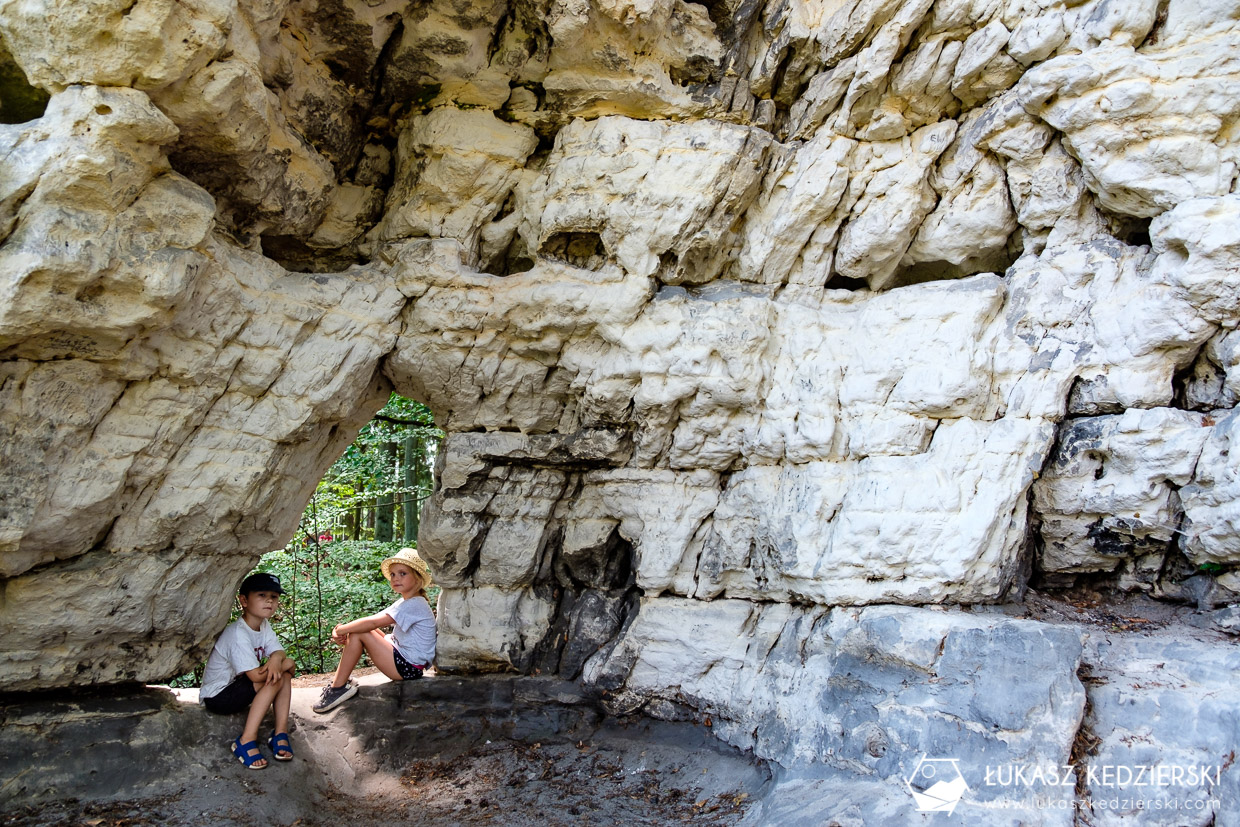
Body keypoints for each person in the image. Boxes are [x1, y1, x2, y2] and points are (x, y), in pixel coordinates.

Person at [313, 548, 436, 713]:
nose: (396, 578)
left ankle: (338, 688)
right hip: (402, 655)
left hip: (408, 667)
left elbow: (372, 623)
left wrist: (342, 630)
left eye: (402, 573)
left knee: (360, 632)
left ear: (417, 577)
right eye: (392, 574)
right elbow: (373, 619)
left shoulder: (415, 604)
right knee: (360, 629)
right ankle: (342, 679)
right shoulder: (406, 601)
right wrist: (342, 629)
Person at [199, 572, 297, 770]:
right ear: (244, 600)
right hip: (219, 696)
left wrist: (278, 659)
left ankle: (280, 733)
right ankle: (245, 741)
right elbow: (254, 676)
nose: (269, 601)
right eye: (261, 595)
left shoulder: (264, 625)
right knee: (276, 677)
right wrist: (288, 662)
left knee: (282, 675)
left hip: (239, 687)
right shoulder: (238, 633)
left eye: (274, 597)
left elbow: (277, 650)